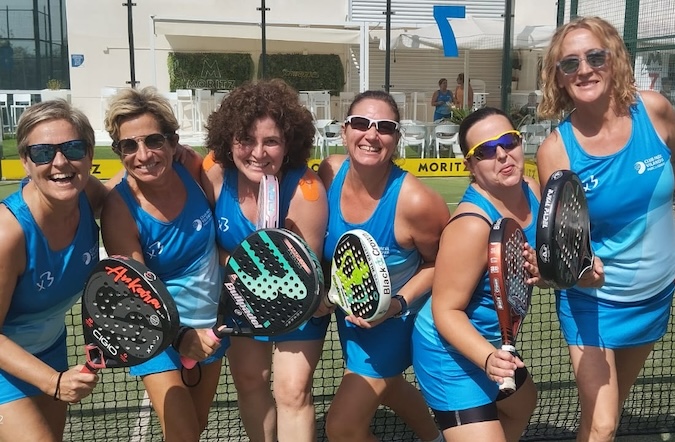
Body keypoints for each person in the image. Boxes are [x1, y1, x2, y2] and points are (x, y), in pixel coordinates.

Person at [537, 16, 675, 441]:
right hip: (594, 303)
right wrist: (580, 269)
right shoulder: (556, 149)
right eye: (569, 64)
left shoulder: (655, 110)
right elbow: (561, 248)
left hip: (654, 296)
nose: (584, 69)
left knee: (603, 414)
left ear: (614, 59)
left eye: (595, 56)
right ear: (558, 79)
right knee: (603, 424)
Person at [201, 78, 329, 442]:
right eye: (246, 140)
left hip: (297, 302)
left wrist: (239, 265)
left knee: (292, 391)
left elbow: (302, 273)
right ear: (230, 141)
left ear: (288, 144)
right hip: (242, 300)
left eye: (271, 141)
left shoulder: (306, 191)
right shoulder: (215, 177)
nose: (258, 153)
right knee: (249, 381)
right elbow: (208, 247)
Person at [318, 90, 449, 442]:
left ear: (396, 138)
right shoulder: (329, 172)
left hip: (397, 320)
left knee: (342, 428)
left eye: (385, 127)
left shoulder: (416, 202)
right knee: (388, 388)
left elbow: (444, 264)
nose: (371, 135)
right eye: (361, 123)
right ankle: (436, 439)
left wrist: (396, 305)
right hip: (350, 315)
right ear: (344, 131)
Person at [100, 86, 224, 441]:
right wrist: (180, 335)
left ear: (173, 142)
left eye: (154, 141)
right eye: (129, 145)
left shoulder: (191, 165)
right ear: (119, 151)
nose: (143, 155)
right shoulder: (120, 209)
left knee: (191, 431)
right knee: (183, 433)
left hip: (211, 327)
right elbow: (137, 294)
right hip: (154, 331)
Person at [412, 107, 539, 442]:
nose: (501, 154)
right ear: (470, 165)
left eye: (508, 141)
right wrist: (486, 359)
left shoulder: (533, 190)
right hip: (449, 354)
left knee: (522, 405)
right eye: (484, 151)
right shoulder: (471, 226)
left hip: (494, 346)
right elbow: (445, 310)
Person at [0, 100, 106, 440]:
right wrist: (53, 381)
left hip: (50, 349)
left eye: (73, 148)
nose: (60, 162)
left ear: (90, 155)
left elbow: (131, 194)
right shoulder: (9, 234)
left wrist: (172, 150)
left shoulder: (87, 194)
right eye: (43, 152)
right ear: (26, 162)